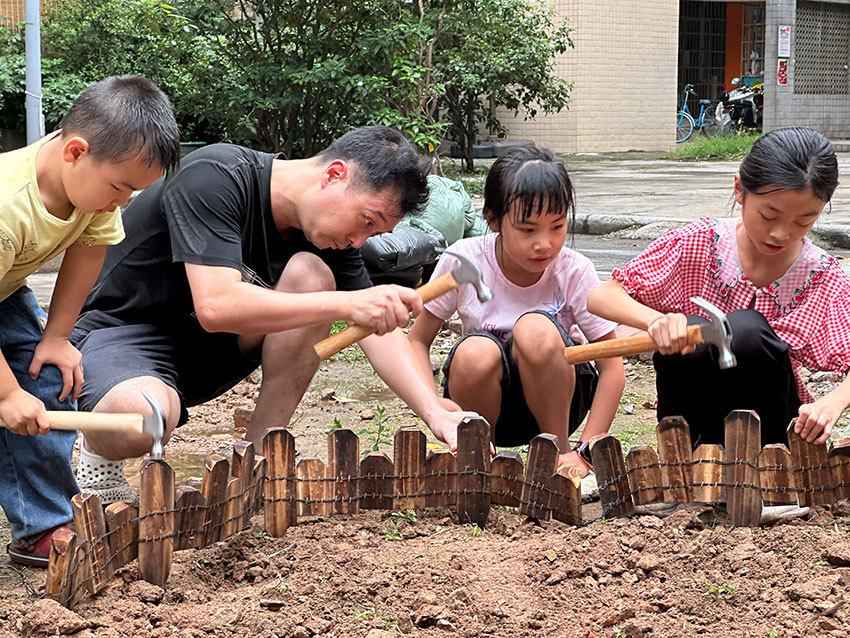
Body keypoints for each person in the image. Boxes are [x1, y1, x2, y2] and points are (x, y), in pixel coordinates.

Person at [71, 125, 477, 504]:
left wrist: (432, 411)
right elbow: (216, 306)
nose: (358, 240)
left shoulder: (328, 237)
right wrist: (347, 304)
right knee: (145, 415)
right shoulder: (217, 176)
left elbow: (374, 330)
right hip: (123, 335)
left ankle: (253, 462)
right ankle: (96, 449)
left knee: (312, 275)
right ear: (334, 174)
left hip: (208, 355)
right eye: (365, 222)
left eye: (372, 234)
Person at [0, 75, 180, 566]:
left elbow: (87, 251)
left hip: (5, 293)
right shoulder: (7, 207)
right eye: (121, 187)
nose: (123, 201)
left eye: (134, 192)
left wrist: (56, 337)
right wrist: (6, 393)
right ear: (75, 151)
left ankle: (43, 526)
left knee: (49, 384)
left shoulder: (92, 194)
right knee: (13, 397)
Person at [587, 127, 850, 449]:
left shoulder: (821, 276)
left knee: (746, 330)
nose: (781, 233)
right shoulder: (698, 242)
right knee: (695, 330)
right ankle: (690, 463)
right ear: (740, 190)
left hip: (771, 430)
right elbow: (603, 296)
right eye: (769, 215)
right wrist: (656, 322)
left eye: (803, 222)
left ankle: (766, 474)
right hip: (692, 421)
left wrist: (833, 402)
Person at [408, 146, 625, 477]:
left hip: (559, 398)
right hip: (483, 402)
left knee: (536, 329)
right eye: (528, 230)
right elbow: (416, 341)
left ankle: (557, 454)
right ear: (493, 220)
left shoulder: (574, 270)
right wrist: (433, 407)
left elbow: (612, 366)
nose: (545, 243)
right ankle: (481, 456)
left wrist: (585, 448)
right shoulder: (464, 261)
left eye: (557, 226)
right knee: (475, 351)